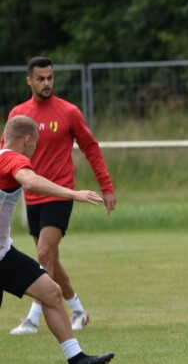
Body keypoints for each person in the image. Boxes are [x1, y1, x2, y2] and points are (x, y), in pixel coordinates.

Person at [5, 56, 116, 335]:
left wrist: (107, 186)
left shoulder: (68, 112)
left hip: (61, 193)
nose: (47, 83)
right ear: (29, 80)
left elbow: (91, 147)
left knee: (43, 253)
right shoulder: (19, 114)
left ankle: (32, 319)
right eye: (41, 78)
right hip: (31, 196)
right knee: (51, 259)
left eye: (50, 77)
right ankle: (78, 310)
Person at [0, 115, 114, 364]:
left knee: (51, 292)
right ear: (27, 140)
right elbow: (30, 181)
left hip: (3, 254)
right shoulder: (12, 158)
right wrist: (74, 193)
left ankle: (77, 358)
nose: (35, 150)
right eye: (36, 145)